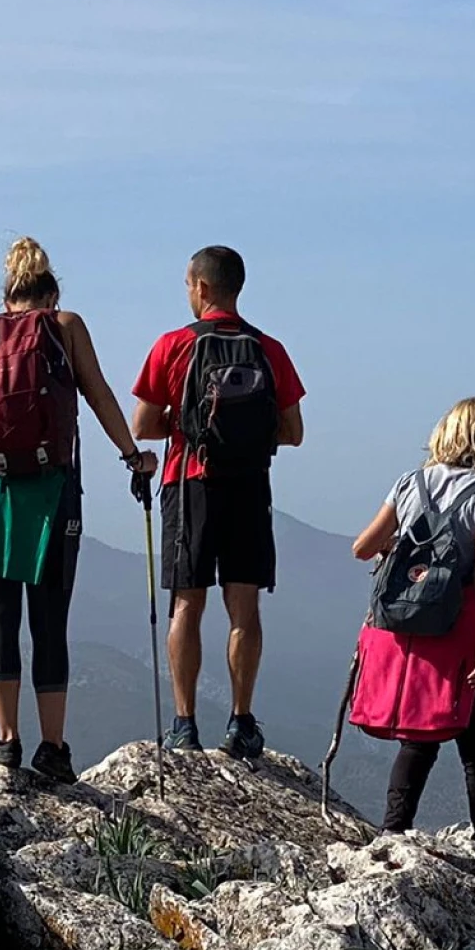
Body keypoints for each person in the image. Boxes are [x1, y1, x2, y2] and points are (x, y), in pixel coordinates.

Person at [0, 238, 155, 785]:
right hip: (53, 493)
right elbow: (100, 395)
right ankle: (53, 749)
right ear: (51, 292)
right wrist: (133, 458)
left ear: (7, 295)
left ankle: (5, 743)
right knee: (50, 621)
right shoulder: (66, 326)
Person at [132, 244, 305, 758]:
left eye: (187, 284)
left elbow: (143, 425)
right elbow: (293, 432)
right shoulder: (269, 349)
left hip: (190, 481)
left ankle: (184, 724)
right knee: (243, 604)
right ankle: (241, 719)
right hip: (250, 485)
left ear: (201, 287)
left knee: (188, 602)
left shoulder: (173, 346)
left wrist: (187, 426)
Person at [350, 396, 475, 840]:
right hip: (455, 627)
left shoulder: (408, 484)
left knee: (418, 737)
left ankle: (393, 831)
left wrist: (398, 550)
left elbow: (362, 548)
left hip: (400, 628)